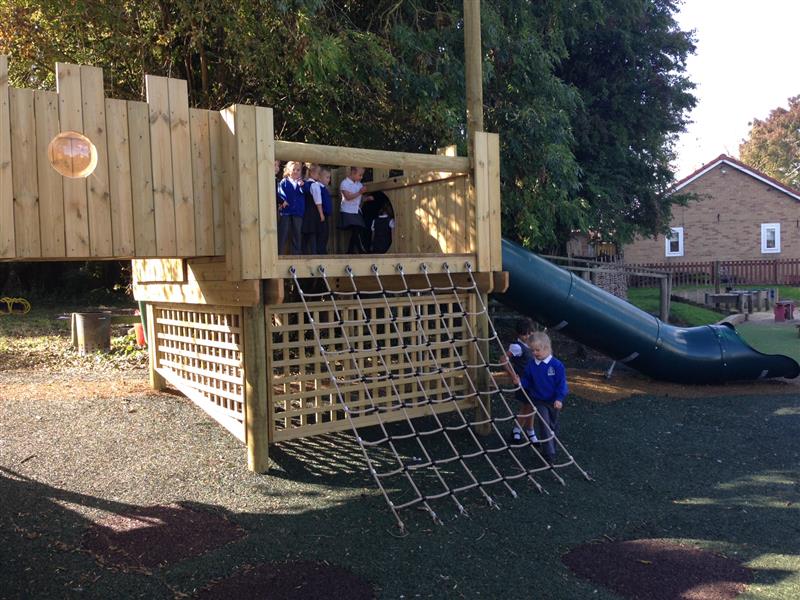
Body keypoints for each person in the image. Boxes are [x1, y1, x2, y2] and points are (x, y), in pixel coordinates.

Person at [519, 331, 567, 464]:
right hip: (539, 400)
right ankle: (549, 454)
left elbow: (561, 384)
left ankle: (552, 448)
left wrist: (559, 398)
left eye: (537, 350)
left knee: (553, 426)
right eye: (532, 350)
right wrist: (520, 382)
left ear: (547, 348)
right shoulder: (532, 364)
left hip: (553, 401)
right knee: (544, 424)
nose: (534, 353)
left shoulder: (556, 365)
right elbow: (527, 380)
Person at [503, 319, 537, 444]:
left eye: (529, 333)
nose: (527, 336)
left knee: (530, 407)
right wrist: (513, 376)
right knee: (528, 407)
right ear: (519, 334)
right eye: (524, 334)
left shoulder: (531, 345)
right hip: (523, 382)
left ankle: (524, 430)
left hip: (534, 381)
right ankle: (523, 431)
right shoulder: (517, 347)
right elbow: (503, 360)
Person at [339, 166, 373, 254]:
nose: (361, 177)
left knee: (357, 230)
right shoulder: (345, 183)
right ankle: (360, 250)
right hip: (347, 210)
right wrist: (360, 192)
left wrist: (367, 198)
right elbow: (348, 197)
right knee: (357, 228)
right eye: (360, 175)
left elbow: (359, 199)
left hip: (356, 211)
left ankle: (350, 251)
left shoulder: (359, 184)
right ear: (353, 173)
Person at [277, 161, 305, 254]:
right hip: (286, 211)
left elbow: (308, 192)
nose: (296, 172)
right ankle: (279, 253)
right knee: (283, 233)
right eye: (294, 170)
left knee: (297, 234)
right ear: (288, 171)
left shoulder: (302, 183)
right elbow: (280, 194)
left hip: (297, 212)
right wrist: (282, 202)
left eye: (298, 170)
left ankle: (296, 255)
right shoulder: (283, 182)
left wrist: (303, 185)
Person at [301, 163, 326, 254]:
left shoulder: (304, 184)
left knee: (306, 235)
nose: (319, 175)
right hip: (314, 212)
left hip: (306, 211)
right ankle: (314, 254)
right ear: (312, 173)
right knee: (313, 233)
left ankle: (304, 254)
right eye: (319, 173)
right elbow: (318, 201)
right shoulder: (315, 185)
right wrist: (321, 214)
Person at [315, 167, 333, 254]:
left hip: (326, 215)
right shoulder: (318, 187)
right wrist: (321, 214)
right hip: (320, 215)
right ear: (319, 177)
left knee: (326, 234)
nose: (328, 180)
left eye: (329, 177)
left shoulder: (325, 188)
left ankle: (323, 251)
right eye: (327, 177)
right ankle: (320, 252)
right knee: (321, 234)